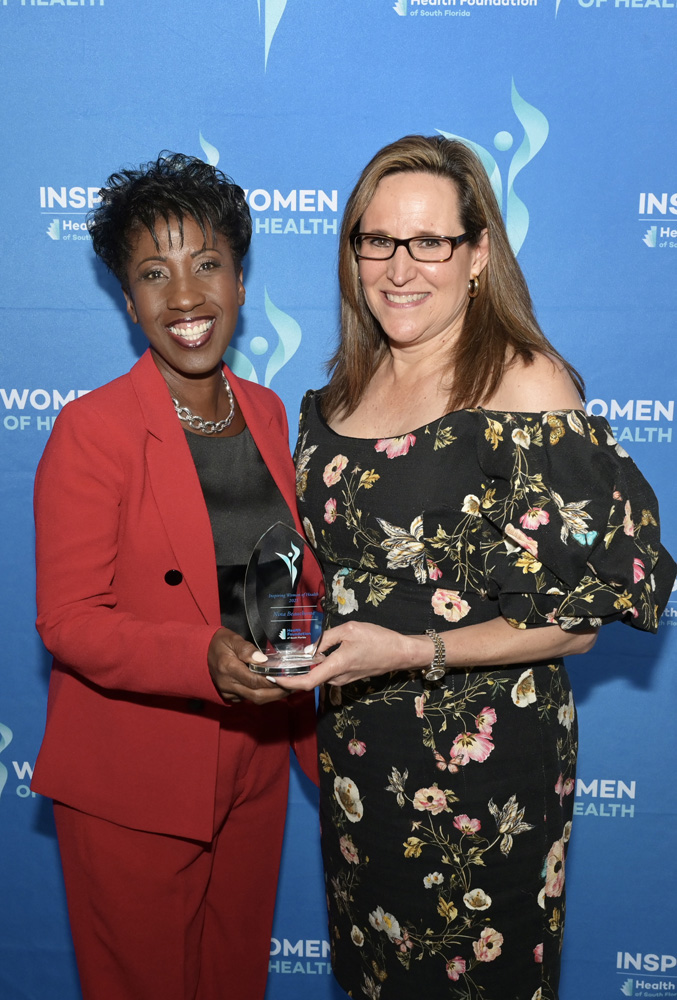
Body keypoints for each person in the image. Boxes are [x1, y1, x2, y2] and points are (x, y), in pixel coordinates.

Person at [279, 136, 675, 1000]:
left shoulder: (524, 387)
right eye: (375, 241)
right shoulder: (342, 389)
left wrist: (411, 652)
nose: (399, 267)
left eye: (430, 242)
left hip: (484, 778)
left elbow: (573, 625)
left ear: (478, 254)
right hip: (358, 766)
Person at [31, 152, 320, 1000]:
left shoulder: (266, 411)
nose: (185, 297)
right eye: (155, 274)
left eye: (207, 266)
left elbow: (280, 578)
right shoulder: (93, 431)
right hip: (137, 776)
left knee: (233, 981)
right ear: (128, 299)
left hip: (254, 762)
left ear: (239, 281)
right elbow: (70, 619)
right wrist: (201, 656)